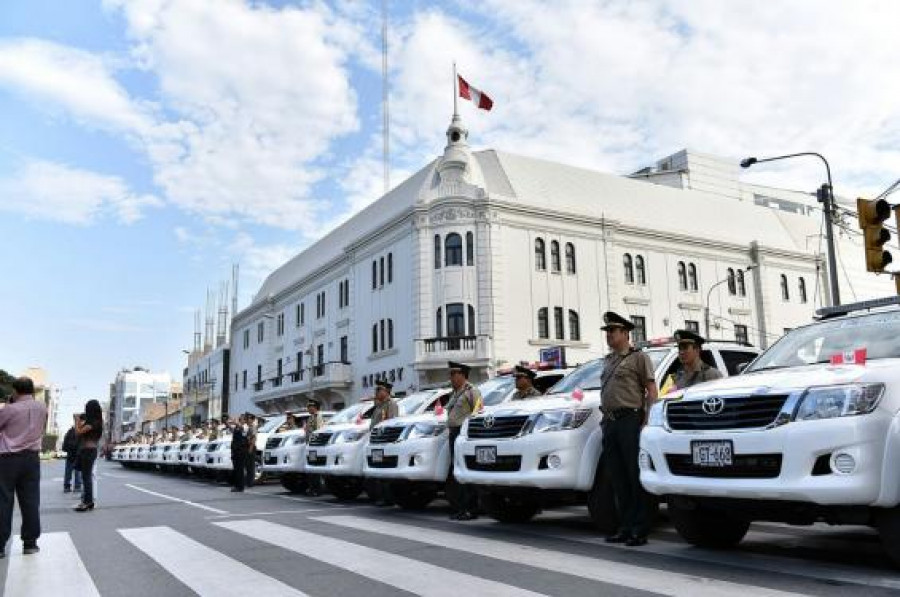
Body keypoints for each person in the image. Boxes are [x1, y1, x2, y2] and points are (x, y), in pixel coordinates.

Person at [599, 311, 658, 547]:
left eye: (612, 331)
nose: (609, 336)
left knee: (634, 476)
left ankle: (640, 529)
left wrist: (647, 420)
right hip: (610, 422)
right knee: (617, 477)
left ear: (625, 333)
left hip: (630, 420)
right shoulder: (608, 360)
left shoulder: (638, 358)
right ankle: (624, 526)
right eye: (607, 332)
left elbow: (651, 391)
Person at [0, 377, 48, 557]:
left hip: (7, 459)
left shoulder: (10, 409)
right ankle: (30, 543)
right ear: (32, 391)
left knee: (3, 501)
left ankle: (0, 546)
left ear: (15, 391)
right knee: (30, 501)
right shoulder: (42, 407)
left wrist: (7, 404)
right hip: (31, 459)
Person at [445, 361, 483, 521]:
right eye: (451, 374)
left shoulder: (472, 391)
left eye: (455, 374)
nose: (452, 377)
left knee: (465, 470)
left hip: (464, 433)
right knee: (456, 471)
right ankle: (461, 507)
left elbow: (478, 412)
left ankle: (471, 508)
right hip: (453, 433)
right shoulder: (454, 394)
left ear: (463, 375)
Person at [661, 330, 724, 394]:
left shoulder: (712, 375)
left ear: (697, 350)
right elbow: (664, 400)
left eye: (685, 348)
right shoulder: (676, 377)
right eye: (680, 348)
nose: (681, 352)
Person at [369, 380, 399, 506]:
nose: (376, 392)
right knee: (379, 472)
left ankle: (388, 499)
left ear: (386, 391)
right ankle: (382, 497)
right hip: (376, 441)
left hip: (385, 441)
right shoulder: (380, 405)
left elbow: (391, 423)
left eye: (379, 390)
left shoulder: (391, 404)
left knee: (385, 473)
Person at [74, 400, 103, 512]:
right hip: (89, 450)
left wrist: (76, 420)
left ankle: (87, 502)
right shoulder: (97, 422)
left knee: (86, 477)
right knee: (86, 477)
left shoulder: (92, 424)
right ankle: (88, 501)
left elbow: (77, 432)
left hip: (88, 451)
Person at [305, 400, 324, 496]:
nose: (308, 408)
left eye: (310, 406)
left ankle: (317, 489)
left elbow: (318, 431)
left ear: (315, 407)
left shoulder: (318, 417)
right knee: (311, 468)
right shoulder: (311, 417)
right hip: (310, 445)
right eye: (308, 407)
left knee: (314, 469)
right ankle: (312, 488)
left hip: (314, 446)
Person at [62, 415, 83, 494]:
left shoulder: (71, 431)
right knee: (75, 472)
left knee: (70, 471)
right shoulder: (75, 431)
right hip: (74, 455)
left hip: (72, 455)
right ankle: (74, 486)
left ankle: (68, 486)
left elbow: (65, 444)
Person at [230, 415, 248, 492]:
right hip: (235, 450)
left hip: (241, 450)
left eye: (241, 419)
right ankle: (236, 485)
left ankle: (240, 487)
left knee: (240, 469)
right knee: (236, 469)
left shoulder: (245, 427)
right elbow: (231, 429)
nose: (240, 420)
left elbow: (242, 429)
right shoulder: (236, 428)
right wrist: (228, 423)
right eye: (239, 419)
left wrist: (236, 423)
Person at [244, 414, 258, 488]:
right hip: (247, 447)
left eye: (249, 418)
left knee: (251, 466)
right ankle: (248, 481)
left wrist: (250, 449)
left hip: (251, 447)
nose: (248, 420)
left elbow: (253, 439)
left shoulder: (253, 428)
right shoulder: (248, 428)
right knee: (247, 465)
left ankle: (250, 482)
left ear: (252, 420)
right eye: (247, 418)